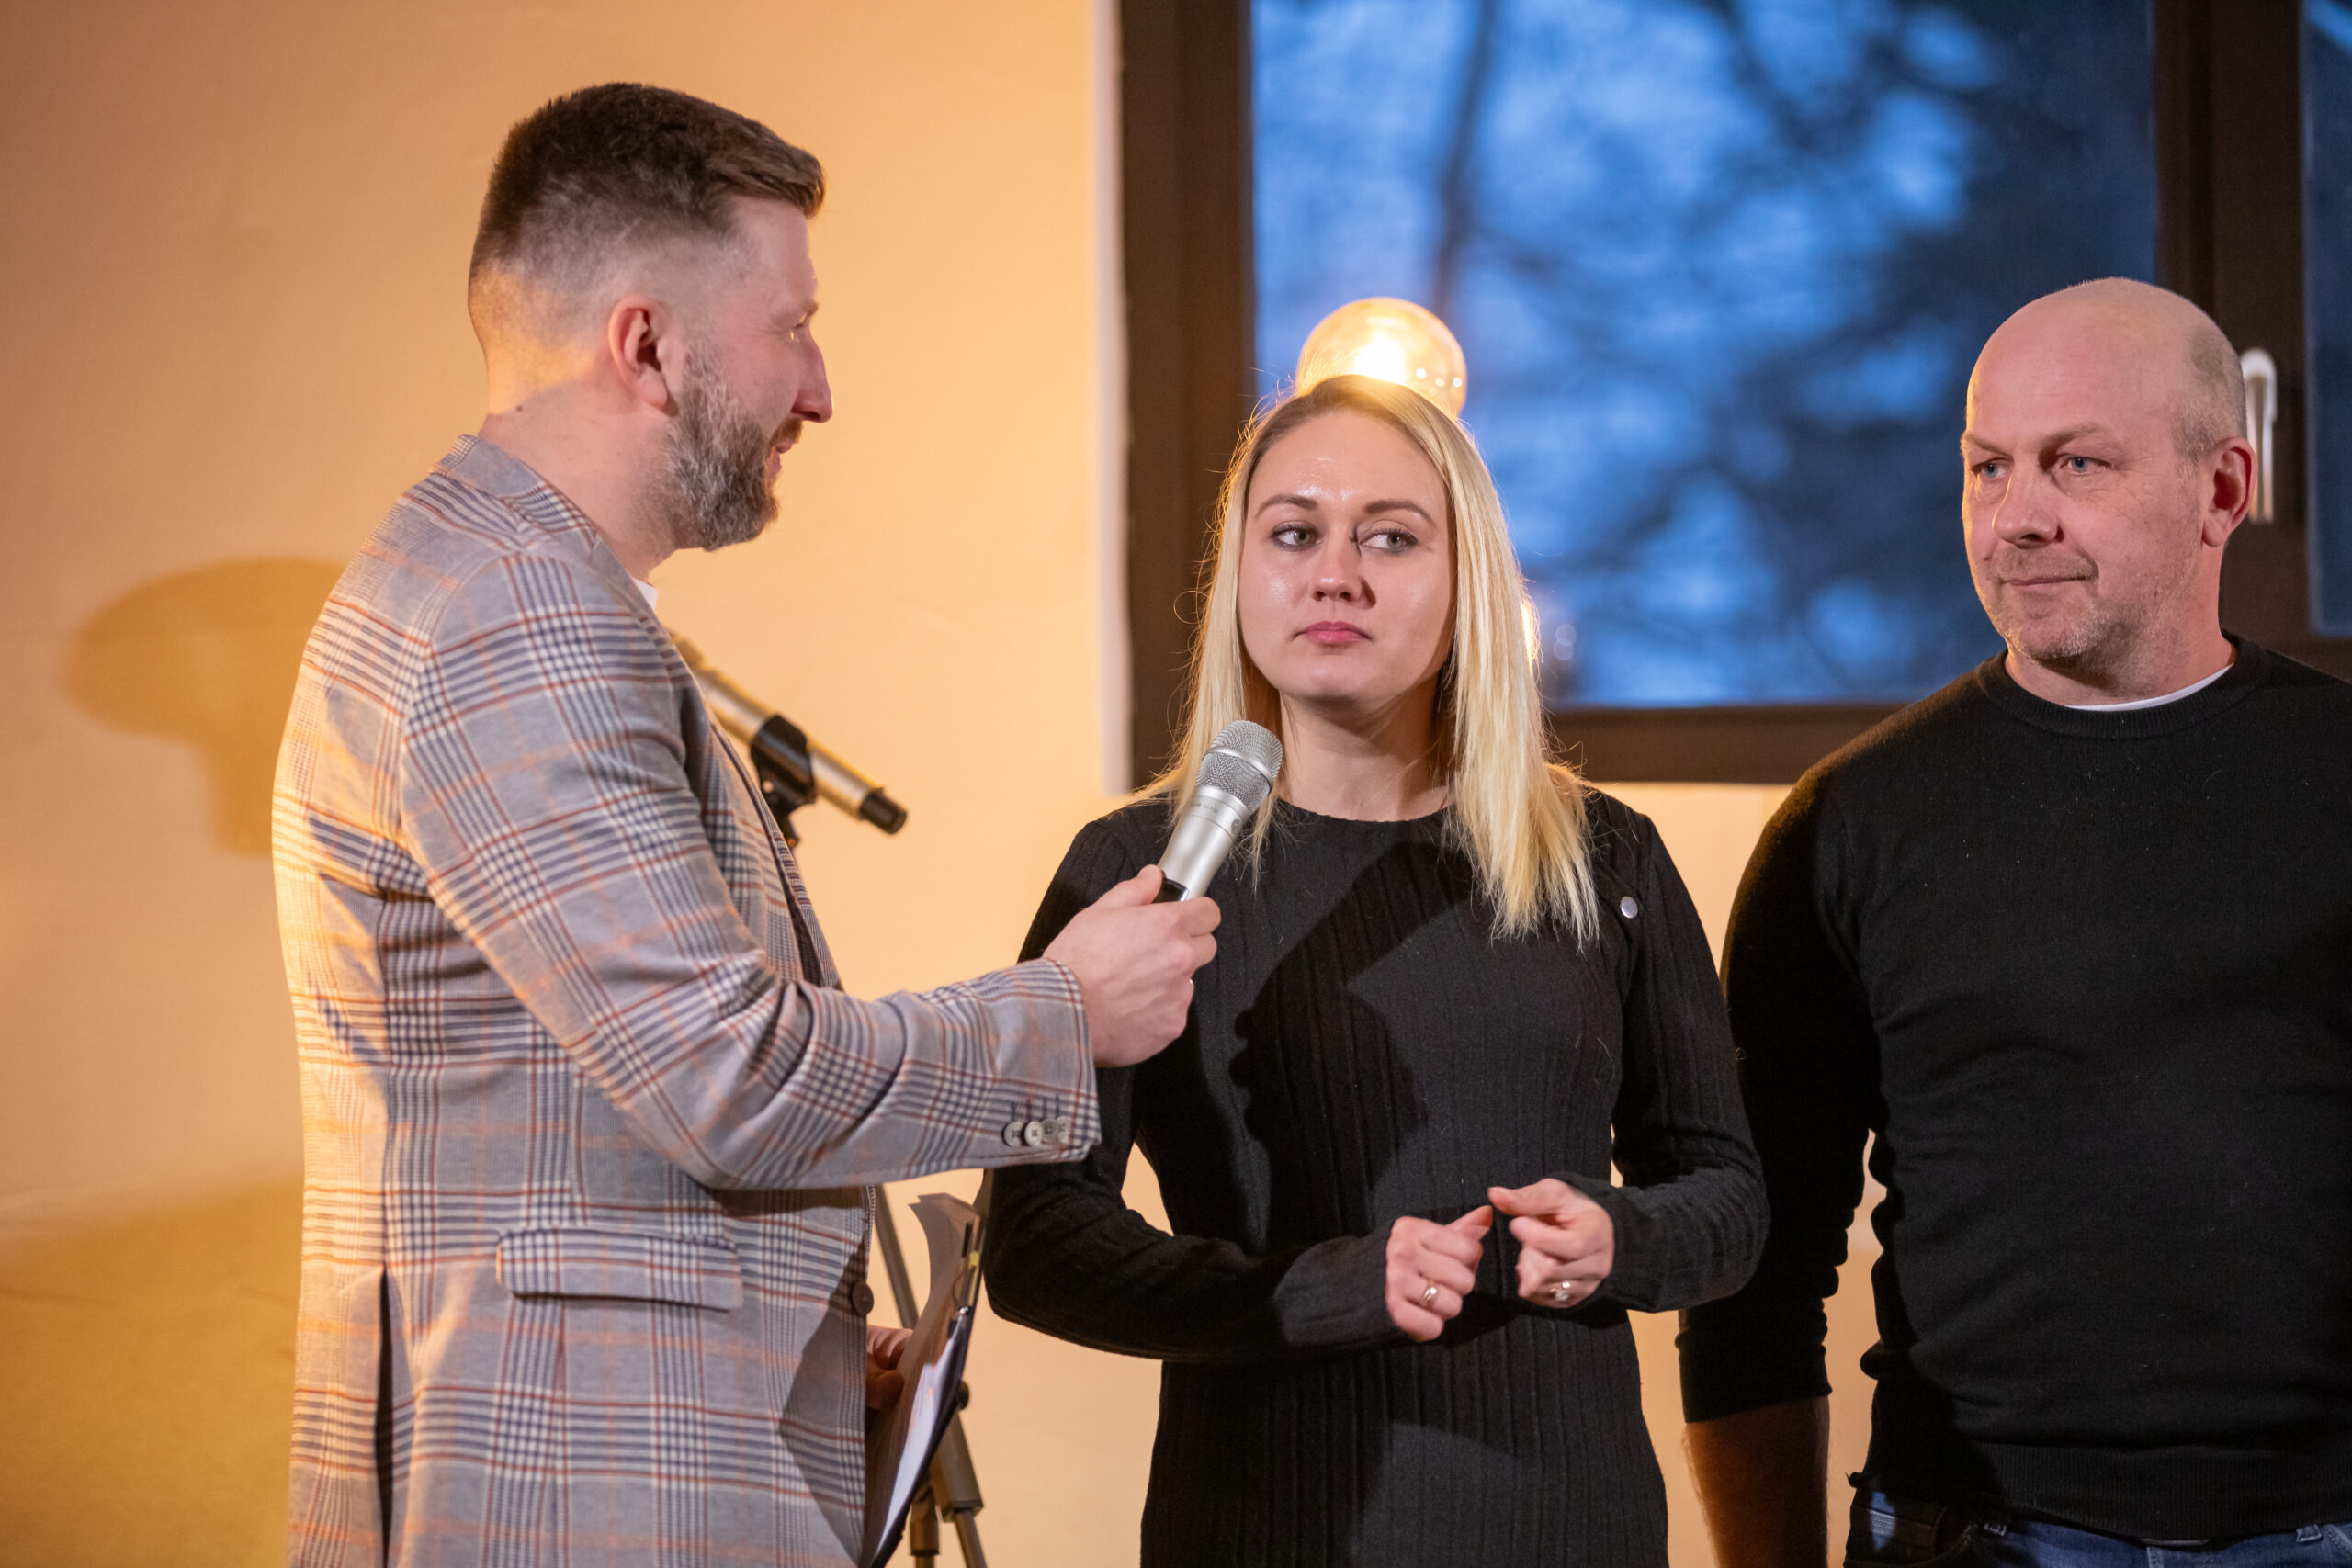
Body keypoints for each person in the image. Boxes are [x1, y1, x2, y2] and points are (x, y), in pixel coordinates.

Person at [271, 84, 1219, 1567]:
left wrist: (801, 1361)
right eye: (793, 327)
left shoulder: (517, 591)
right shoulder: (518, 621)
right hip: (570, 1510)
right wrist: (1064, 1017)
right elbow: (727, 1074)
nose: (821, 389)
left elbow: (598, 1132)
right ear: (646, 345)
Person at [983, 373, 1767, 1565]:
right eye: (1293, 533)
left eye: (1390, 538)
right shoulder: (1139, 871)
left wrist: (1621, 1238)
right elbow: (1037, 1247)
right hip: (1261, 1531)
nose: (1335, 574)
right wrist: (1316, 1292)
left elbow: (1728, 1198)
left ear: (1467, 582)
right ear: (1240, 576)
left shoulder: (1602, 858)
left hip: (1566, 1526)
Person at [1679, 278, 2352, 1564]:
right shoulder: (1848, 824)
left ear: (2222, 489)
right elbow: (1755, 1280)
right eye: (1987, 467)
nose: (2017, 516)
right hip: (1971, 1531)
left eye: (2075, 463)